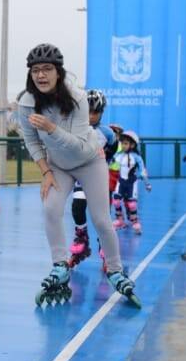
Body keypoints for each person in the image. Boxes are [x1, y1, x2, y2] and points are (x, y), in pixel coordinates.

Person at [16, 43, 139, 308]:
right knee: (51, 208)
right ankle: (60, 265)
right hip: (58, 165)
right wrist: (46, 171)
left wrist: (50, 128)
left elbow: (81, 147)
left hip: (89, 160)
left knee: (101, 219)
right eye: (36, 70)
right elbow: (30, 140)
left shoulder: (77, 98)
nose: (41, 75)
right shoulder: (27, 102)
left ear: (58, 72)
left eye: (47, 69)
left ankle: (115, 270)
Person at [67, 89, 118, 266]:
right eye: (87, 111)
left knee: (102, 217)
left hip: (100, 181)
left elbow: (114, 146)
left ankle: (104, 246)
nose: (91, 116)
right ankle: (82, 238)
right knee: (77, 207)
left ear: (101, 112)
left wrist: (105, 159)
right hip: (82, 178)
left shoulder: (108, 133)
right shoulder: (75, 129)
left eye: (95, 112)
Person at [112, 130, 151, 234]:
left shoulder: (136, 157)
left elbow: (143, 171)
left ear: (132, 145)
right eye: (122, 143)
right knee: (116, 201)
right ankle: (120, 220)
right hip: (121, 182)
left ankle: (135, 221)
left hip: (131, 183)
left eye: (125, 143)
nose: (123, 146)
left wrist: (147, 183)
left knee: (132, 205)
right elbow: (108, 162)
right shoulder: (119, 155)